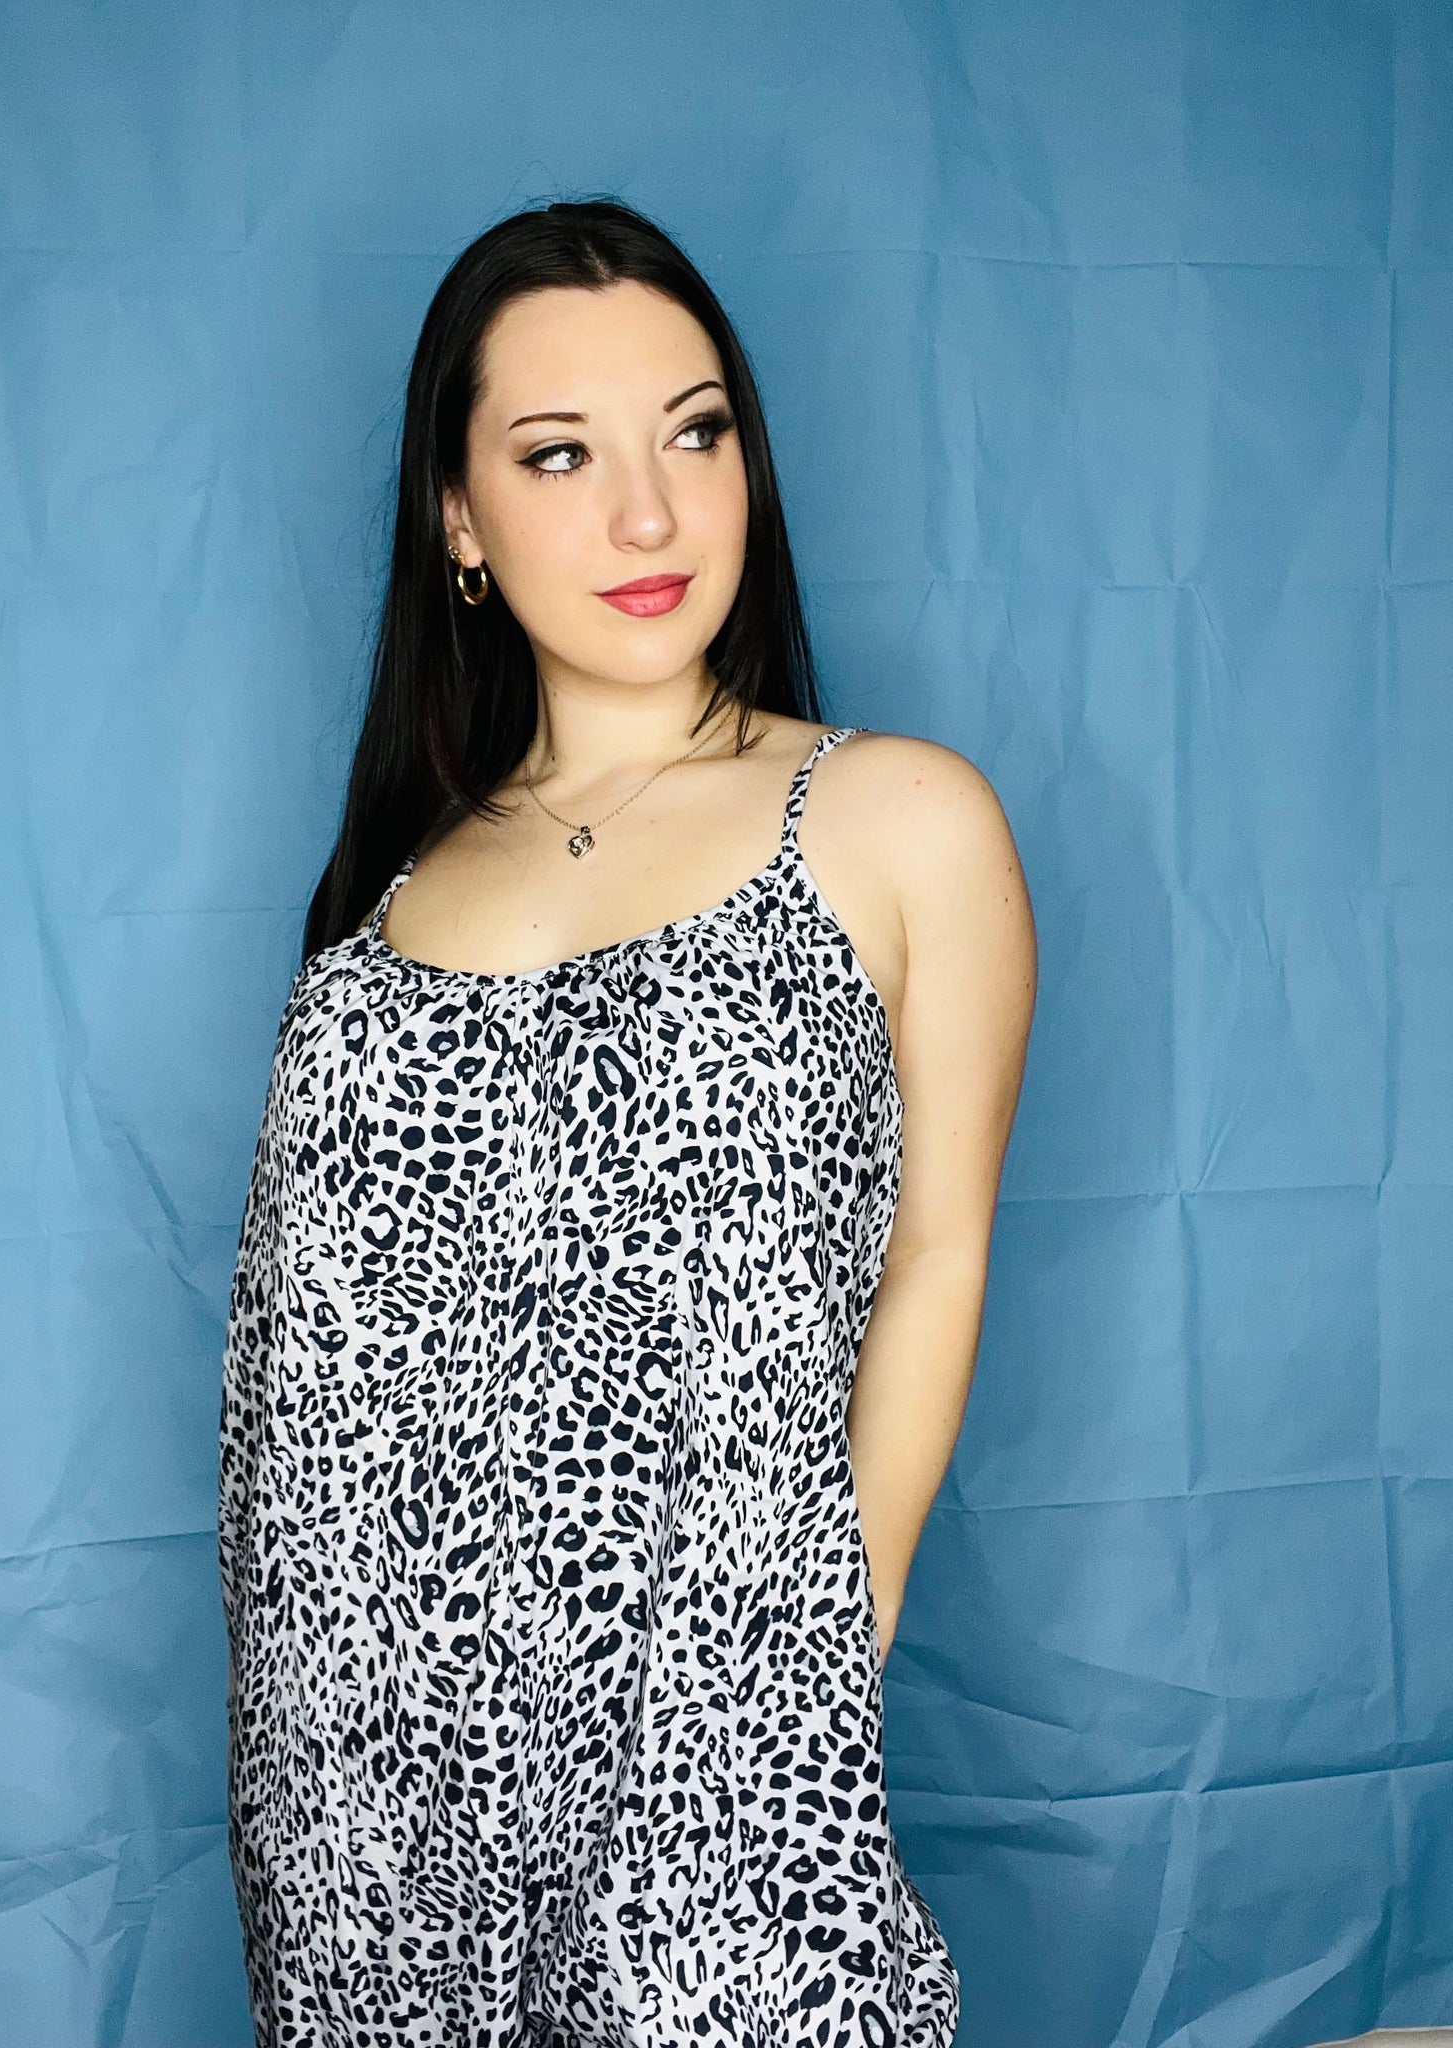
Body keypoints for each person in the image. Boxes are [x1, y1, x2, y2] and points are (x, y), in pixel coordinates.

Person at [218, 196, 1035, 2048]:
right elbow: (297, 1365)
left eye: (695, 431)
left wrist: (819, 1639)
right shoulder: (389, 897)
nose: (651, 516)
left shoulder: (893, 820)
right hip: (359, 1757)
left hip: (715, 1708)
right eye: (559, 454)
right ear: (458, 519)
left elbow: (941, 1251)